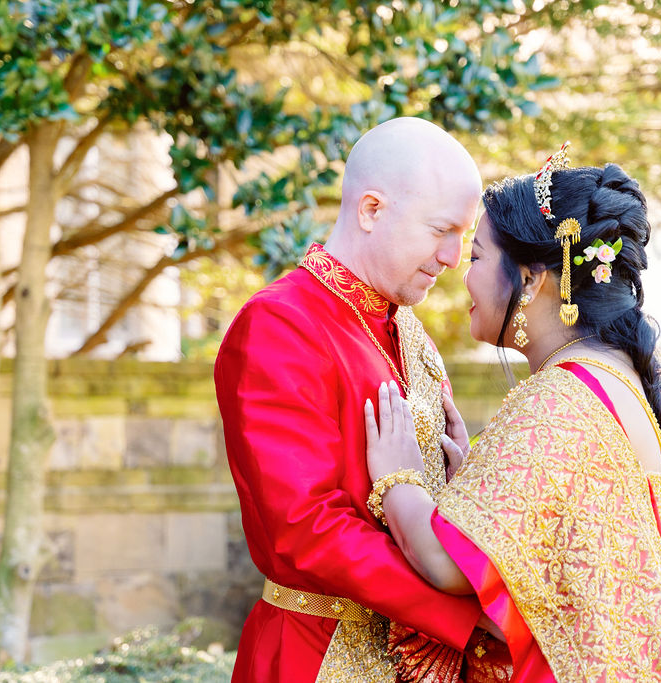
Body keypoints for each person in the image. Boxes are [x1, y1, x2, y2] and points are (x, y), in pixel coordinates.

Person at [364, 145, 661, 681]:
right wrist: (481, 484)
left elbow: (447, 566)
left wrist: (397, 478)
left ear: (534, 278)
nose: (460, 275)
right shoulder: (610, 375)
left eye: (475, 258)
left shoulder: (559, 400)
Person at [214, 117, 502, 682]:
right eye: (440, 230)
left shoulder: (409, 331)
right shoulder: (280, 323)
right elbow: (304, 527)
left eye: (462, 240)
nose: (450, 258)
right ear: (371, 210)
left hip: (429, 659)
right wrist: (465, 618)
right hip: (318, 652)